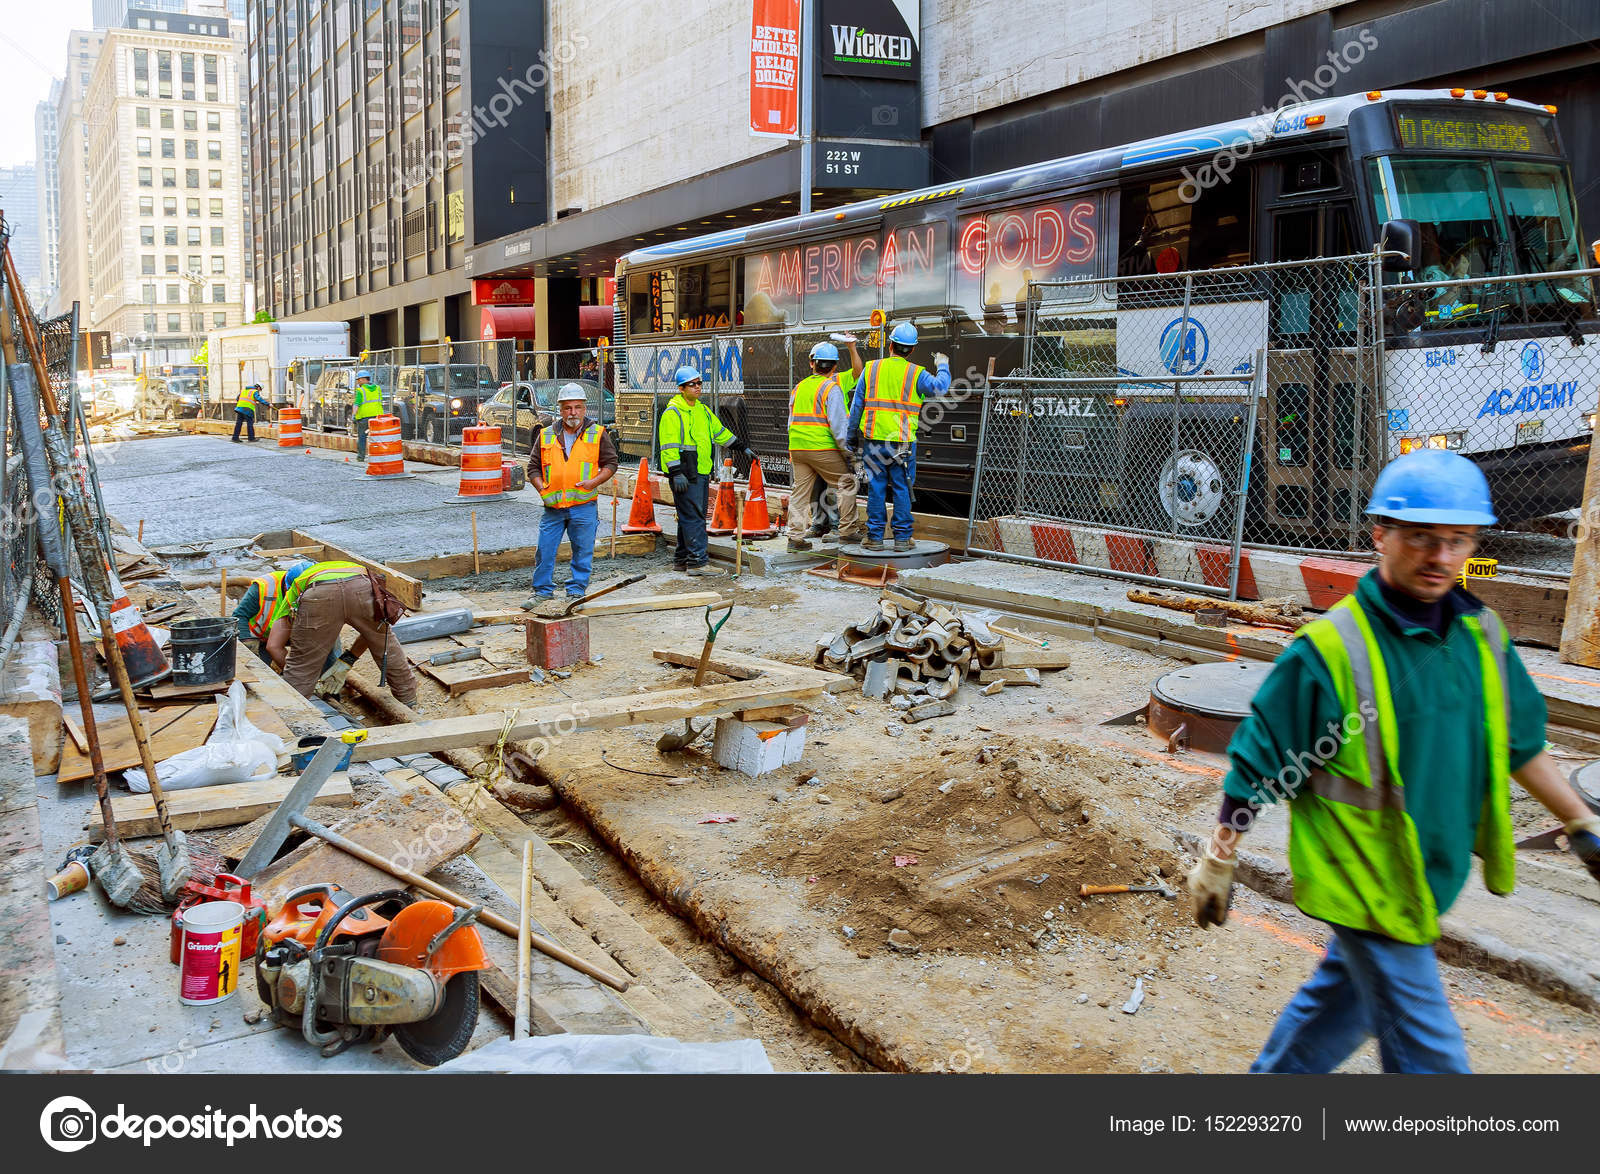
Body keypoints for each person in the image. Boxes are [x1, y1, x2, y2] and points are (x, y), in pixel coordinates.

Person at [1187, 448, 1600, 1073]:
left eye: (1458, 541)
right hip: (1364, 879)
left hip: (1428, 875)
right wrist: (1219, 857)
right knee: (1433, 1062)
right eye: (1421, 538)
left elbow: (1517, 743)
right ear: (1381, 533)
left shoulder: (1480, 635)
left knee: (1340, 1006)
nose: (1440, 557)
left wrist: (1579, 823)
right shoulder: (1330, 649)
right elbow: (1259, 760)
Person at [846, 322, 951, 551]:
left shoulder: (871, 368)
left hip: (874, 442)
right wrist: (943, 365)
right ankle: (902, 539)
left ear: (890, 344)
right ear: (912, 349)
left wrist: (851, 435)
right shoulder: (916, 373)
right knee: (902, 488)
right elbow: (941, 388)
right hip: (902, 444)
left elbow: (856, 406)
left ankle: (875, 538)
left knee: (876, 488)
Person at [265, 559, 417, 708]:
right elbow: (371, 634)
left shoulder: (296, 586)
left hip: (319, 594)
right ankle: (408, 699)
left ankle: (297, 710)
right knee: (385, 644)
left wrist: (302, 677)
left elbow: (273, 646)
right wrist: (347, 660)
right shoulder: (342, 565)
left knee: (303, 661)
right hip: (362, 584)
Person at [524, 383, 619, 604]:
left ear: (585, 408)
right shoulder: (546, 434)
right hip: (553, 508)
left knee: (582, 552)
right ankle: (542, 592)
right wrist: (542, 489)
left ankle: (576, 591)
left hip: (583, 506)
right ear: (560, 409)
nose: (573, 412)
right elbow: (533, 468)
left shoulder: (598, 434)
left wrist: (593, 482)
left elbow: (611, 463)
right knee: (545, 551)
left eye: (577, 407)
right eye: (568, 408)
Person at [657, 366, 753, 576]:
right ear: (681, 388)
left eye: (699, 383)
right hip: (684, 472)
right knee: (694, 517)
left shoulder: (702, 411)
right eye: (692, 384)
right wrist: (675, 472)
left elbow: (720, 433)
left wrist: (741, 446)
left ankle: (682, 560)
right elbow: (668, 445)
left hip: (699, 471)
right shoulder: (672, 413)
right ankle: (698, 563)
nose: (698, 387)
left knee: (689, 516)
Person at [786, 338, 864, 552]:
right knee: (846, 484)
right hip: (822, 448)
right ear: (835, 366)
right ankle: (847, 531)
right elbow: (839, 427)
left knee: (799, 493)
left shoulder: (799, 387)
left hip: (798, 448)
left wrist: (792, 449)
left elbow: (790, 421)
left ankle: (795, 538)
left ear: (812, 363)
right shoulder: (832, 388)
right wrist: (848, 454)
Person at [235, 561, 355, 694]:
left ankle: (330, 692)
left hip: (299, 634)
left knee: (330, 646)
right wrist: (248, 644)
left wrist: (341, 665)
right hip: (262, 638)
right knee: (256, 676)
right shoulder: (264, 587)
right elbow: (240, 616)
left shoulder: (327, 591)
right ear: (288, 589)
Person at [351, 368, 384, 461]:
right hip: (377, 417)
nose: (357, 382)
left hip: (364, 418)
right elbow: (379, 401)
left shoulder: (360, 390)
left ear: (362, 379)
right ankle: (378, 456)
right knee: (377, 437)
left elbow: (356, 404)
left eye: (358, 379)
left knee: (362, 437)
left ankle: (361, 457)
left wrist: (354, 415)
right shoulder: (377, 388)